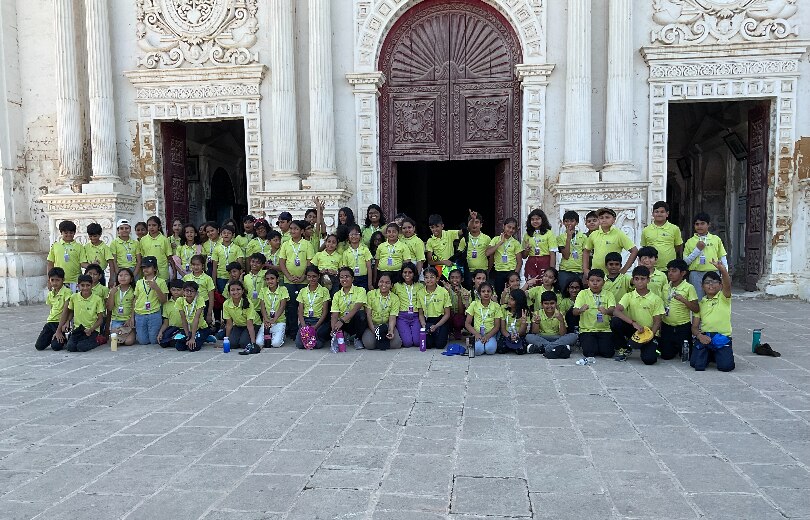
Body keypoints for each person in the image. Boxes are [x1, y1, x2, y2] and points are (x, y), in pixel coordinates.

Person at [611, 266, 666, 363]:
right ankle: (624, 348)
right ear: (633, 280)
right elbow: (616, 311)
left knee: (649, 360)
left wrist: (650, 336)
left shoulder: (656, 299)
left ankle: (652, 346)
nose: (639, 282)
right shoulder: (629, 295)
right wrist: (633, 323)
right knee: (615, 321)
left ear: (648, 280)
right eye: (636, 279)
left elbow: (657, 321)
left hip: (649, 332)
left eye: (643, 279)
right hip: (634, 329)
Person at [691, 261, 734, 372]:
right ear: (702, 286)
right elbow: (694, 327)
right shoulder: (700, 304)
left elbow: (727, 285)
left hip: (722, 337)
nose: (711, 285)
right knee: (695, 364)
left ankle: (717, 354)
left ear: (720, 285)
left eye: (715, 282)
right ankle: (710, 354)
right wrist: (700, 336)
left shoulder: (724, 298)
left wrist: (723, 270)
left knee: (726, 367)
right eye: (707, 282)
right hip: (706, 337)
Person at [279, 220, 316, 339]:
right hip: (289, 281)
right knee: (291, 306)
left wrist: (304, 277)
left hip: (304, 281)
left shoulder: (307, 244)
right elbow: (282, 262)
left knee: (303, 306)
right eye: (291, 229)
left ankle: (304, 330)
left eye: (295, 229)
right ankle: (293, 332)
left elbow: (310, 262)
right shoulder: (285, 244)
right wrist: (289, 276)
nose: (292, 231)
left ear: (302, 231)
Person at [53, 274, 105, 352]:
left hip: (92, 330)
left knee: (82, 347)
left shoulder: (97, 299)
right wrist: (67, 322)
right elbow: (71, 311)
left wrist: (91, 329)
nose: (85, 288)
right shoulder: (74, 297)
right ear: (78, 286)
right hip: (78, 329)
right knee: (70, 347)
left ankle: (98, 340)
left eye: (88, 285)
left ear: (91, 286)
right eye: (82, 285)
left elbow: (100, 319)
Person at [659, 259, 699, 361]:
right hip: (666, 326)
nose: (670, 273)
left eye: (674, 271)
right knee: (666, 356)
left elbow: (696, 308)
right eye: (669, 271)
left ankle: (688, 342)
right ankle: (673, 345)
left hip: (683, 326)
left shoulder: (689, 287)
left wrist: (683, 300)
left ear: (683, 273)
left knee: (686, 357)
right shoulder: (666, 287)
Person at [573, 269, 616, 359]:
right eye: (592, 281)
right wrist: (581, 310)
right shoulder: (582, 293)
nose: (595, 283)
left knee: (608, 354)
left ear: (603, 282)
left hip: (604, 329)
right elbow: (574, 312)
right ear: (588, 282)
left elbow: (612, 310)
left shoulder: (609, 294)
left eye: (598, 281)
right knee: (589, 353)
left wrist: (606, 311)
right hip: (587, 330)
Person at [684, 212, 728, 299]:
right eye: (697, 224)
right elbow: (686, 261)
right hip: (696, 274)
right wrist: (697, 250)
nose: (699, 226)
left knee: (714, 299)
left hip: (713, 273)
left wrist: (724, 274)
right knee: (698, 300)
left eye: (702, 223)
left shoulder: (716, 239)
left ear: (708, 225)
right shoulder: (690, 241)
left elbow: (722, 257)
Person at [582, 208, 638, 275]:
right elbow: (586, 251)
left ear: (614, 220)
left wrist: (624, 270)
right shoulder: (594, 234)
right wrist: (585, 269)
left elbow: (634, 251)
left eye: (607, 217)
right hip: (596, 276)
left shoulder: (619, 234)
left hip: (612, 275)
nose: (604, 220)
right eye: (601, 218)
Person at [330, 267, 368, 350]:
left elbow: (356, 308)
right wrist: (333, 329)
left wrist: (342, 320)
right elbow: (335, 314)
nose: (344, 279)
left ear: (353, 278)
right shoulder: (337, 295)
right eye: (341, 277)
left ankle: (357, 338)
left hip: (354, 322)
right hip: (342, 324)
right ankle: (344, 335)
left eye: (347, 276)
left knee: (361, 315)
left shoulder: (361, 290)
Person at [133, 256, 168, 345]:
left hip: (154, 313)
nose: (145, 269)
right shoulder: (139, 282)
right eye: (143, 267)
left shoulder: (161, 282)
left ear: (155, 268)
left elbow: (164, 300)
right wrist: (131, 316)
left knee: (154, 341)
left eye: (148, 267)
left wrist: (156, 288)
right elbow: (135, 299)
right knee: (142, 341)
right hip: (140, 314)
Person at [363, 272, 401, 350]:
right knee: (369, 345)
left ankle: (381, 341)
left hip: (386, 325)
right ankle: (380, 341)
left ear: (391, 285)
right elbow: (368, 315)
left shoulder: (395, 298)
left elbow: (392, 317)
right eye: (381, 282)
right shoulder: (370, 294)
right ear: (378, 283)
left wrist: (390, 331)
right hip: (373, 325)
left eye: (387, 283)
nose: (384, 285)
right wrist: (374, 331)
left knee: (396, 344)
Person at [641, 201, 683, 271]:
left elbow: (678, 246)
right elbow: (644, 248)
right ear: (653, 214)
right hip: (651, 268)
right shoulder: (646, 230)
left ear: (667, 214)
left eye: (662, 212)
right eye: (656, 212)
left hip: (669, 268)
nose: (659, 214)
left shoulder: (674, 229)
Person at [37, 267, 72, 351]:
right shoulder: (50, 294)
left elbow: (65, 312)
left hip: (61, 323)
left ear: (63, 280)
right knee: (39, 346)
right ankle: (54, 336)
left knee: (56, 347)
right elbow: (52, 309)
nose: (55, 283)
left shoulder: (67, 292)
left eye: (57, 280)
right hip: (51, 322)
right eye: (52, 280)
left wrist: (59, 330)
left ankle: (64, 338)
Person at [295, 266, 331, 349]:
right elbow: (300, 311)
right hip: (306, 320)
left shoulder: (324, 290)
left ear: (319, 276)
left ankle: (320, 337)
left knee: (317, 344)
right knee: (299, 344)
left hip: (318, 320)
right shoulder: (303, 291)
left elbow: (325, 311)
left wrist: (316, 326)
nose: (312, 279)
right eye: (309, 276)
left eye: (314, 276)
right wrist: (304, 327)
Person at [486, 217, 523, 298]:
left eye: (513, 228)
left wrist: (515, 275)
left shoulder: (516, 243)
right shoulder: (496, 239)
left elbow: (519, 262)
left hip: (511, 272)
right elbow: (487, 253)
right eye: (509, 227)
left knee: (513, 295)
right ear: (504, 226)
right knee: (500, 294)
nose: (510, 230)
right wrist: (500, 242)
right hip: (499, 272)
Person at [465, 281, 502, 356]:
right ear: (479, 293)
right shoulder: (474, 304)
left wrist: (487, 336)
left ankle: (487, 343)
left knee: (490, 350)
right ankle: (475, 342)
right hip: (477, 334)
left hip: (490, 334)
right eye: (483, 291)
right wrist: (476, 334)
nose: (486, 293)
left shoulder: (496, 306)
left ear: (492, 293)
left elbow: (497, 326)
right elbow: (467, 323)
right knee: (478, 351)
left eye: (488, 291)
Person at [419, 266, 452, 349]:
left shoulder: (443, 292)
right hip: (427, 321)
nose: (429, 280)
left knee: (440, 345)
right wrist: (424, 325)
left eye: (432, 277)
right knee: (428, 345)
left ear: (437, 278)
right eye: (426, 277)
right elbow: (421, 314)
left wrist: (436, 326)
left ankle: (443, 334)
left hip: (440, 321)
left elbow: (447, 314)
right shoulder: (420, 293)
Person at [224, 280, 260, 354]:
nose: (235, 292)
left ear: (243, 291)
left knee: (244, 343)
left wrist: (253, 343)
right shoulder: (226, 304)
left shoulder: (248, 303)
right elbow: (229, 324)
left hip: (253, 325)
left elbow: (250, 325)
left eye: (238, 289)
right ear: (229, 292)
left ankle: (256, 336)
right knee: (232, 344)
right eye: (232, 290)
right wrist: (226, 340)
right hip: (239, 325)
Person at [457, 211, 491, 289]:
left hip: (483, 272)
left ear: (481, 225)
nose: (474, 225)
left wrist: (488, 270)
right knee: (469, 293)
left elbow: (491, 256)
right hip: (468, 272)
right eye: (472, 222)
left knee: (483, 292)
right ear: (469, 224)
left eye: (477, 222)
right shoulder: (464, 239)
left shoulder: (487, 238)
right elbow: (459, 257)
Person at [394, 262, 423, 348]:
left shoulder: (420, 286)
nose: (407, 275)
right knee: (408, 343)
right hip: (402, 317)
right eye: (405, 272)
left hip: (415, 316)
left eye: (410, 272)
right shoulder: (396, 286)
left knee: (418, 342)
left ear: (414, 273)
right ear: (401, 273)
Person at [46, 220, 81, 291]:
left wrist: (92, 265)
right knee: (61, 301)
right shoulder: (55, 246)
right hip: (59, 281)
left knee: (74, 301)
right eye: (66, 233)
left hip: (75, 281)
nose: (68, 235)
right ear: (61, 232)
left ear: (74, 233)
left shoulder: (79, 247)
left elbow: (83, 263)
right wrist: (49, 280)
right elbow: (50, 263)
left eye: (71, 232)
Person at [183, 254, 216, 329]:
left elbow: (211, 296)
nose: (196, 267)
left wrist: (209, 313)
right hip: (190, 303)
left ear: (203, 266)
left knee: (202, 324)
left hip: (204, 303)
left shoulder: (207, 278)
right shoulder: (186, 277)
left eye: (198, 265)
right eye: (193, 265)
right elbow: (183, 294)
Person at [523, 208, 557, 279]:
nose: (535, 221)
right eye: (532, 219)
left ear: (542, 220)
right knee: (531, 285)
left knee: (545, 284)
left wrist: (552, 270)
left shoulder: (549, 233)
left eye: (537, 219)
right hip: (531, 263)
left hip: (545, 261)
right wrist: (527, 250)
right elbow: (524, 256)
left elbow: (552, 253)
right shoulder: (527, 235)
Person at [258, 268, 289, 348]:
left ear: (277, 279)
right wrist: (266, 319)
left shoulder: (283, 289)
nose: (270, 281)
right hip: (267, 322)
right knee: (259, 343)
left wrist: (274, 320)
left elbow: (282, 306)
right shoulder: (263, 290)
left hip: (279, 321)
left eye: (272, 278)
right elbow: (262, 307)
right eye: (267, 279)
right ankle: (273, 335)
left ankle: (281, 335)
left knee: (275, 344)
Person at [425, 214, 461, 280]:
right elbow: (430, 261)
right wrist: (444, 262)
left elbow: (463, 232)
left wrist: (472, 221)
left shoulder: (449, 234)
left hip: (451, 266)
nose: (435, 229)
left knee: (453, 285)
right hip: (438, 268)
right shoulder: (430, 241)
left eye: (437, 226)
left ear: (442, 226)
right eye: (432, 227)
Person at [557, 210, 586, 293]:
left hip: (579, 271)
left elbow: (585, 255)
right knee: (564, 293)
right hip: (565, 270)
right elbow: (566, 255)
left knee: (578, 295)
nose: (569, 223)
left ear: (576, 222)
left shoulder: (583, 237)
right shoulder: (560, 237)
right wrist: (568, 239)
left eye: (572, 221)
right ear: (563, 223)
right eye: (566, 221)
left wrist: (584, 271)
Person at [176, 281, 209, 351]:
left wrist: (192, 338)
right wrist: (188, 335)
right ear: (183, 292)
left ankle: (206, 337)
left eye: (192, 291)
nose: (189, 293)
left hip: (200, 328)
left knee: (193, 347)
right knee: (179, 347)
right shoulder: (180, 301)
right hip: (188, 328)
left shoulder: (200, 300)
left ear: (196, 293)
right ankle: (195, 337)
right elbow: (183, 319)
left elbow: (196, 318)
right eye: (187, 291)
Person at [107, 267, 137, 347]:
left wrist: (131, 318)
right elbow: (109, 308)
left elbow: (134, 307)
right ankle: (120, 335)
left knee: (128, 342)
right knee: (114, 343)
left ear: (131, 279)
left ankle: (130, 333)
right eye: (120, 275)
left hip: (128, 320)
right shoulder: (114, 290)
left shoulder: (134, 291)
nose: (123, 277)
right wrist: (112, 294)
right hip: (116, 320)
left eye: (126, 275)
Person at [212, 225, 245, 294]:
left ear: (233, 235)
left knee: (234, 295)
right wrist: (214, 283)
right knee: (223, 297)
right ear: (221, 235)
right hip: (221, 277)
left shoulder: (237, 248)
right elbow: (214, 267)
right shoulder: (216, 248)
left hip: (234, 277)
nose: (226, 235)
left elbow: (240, 265)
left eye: (229, 233)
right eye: (224, 233)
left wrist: (240, 278)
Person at [139, 216, 173, 281]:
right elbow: (142, 256)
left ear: (159, 227)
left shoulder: (164, 240)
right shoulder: (143, 240)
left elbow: (169, 257)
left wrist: (174, 273)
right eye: (149, 225)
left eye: (154, 225)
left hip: (162, 273)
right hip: (148, 272)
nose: (151, 227)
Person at [341, 224, 373, 291]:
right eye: (351, 234)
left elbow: (369, 268)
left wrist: (369, 284)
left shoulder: (365, 250)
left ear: (360, 236)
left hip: (364, 279)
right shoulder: (346, 253)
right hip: (351, 279)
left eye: (356, 234)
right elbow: (345, 270)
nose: (354, 236)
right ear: (348, 237)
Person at [443, 268, 471, 340]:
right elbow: (444, 307)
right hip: (448, 313)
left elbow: (461, 312)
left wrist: (459, 295)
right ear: (449, 279)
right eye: (452, 278)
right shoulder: (444, 290)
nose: (454, 280)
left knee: (459, 318)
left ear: (462, 280)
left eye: (457, 277)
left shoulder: (466, 292)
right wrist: (448, 292)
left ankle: (457, 330)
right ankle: (448, 330)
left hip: (459, 315)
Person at [156, 280, 185, 348]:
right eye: (173, 290)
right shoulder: (167, 304)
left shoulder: (186, 302)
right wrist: (160, 333)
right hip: (173, 329)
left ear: (183, 290)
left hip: (185, 328)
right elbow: (166, 323)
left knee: (179, 344)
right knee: (162, 343)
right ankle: (176, 339)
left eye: (178, 290)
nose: (176, 292)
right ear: (170, 290)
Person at [499, 289, 529, 354]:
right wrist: (509, 336)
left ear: (519, 301)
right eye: (509, 298)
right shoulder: (504, 309)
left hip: (519, 335)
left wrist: (523, 323)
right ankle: (511, 346)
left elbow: (523, 332)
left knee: (521, 350)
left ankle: (513, 346)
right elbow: (503, 329)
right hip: (506, 335)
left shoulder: (525, 312)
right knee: (501, 348)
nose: (509, 301)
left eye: (512, 299)